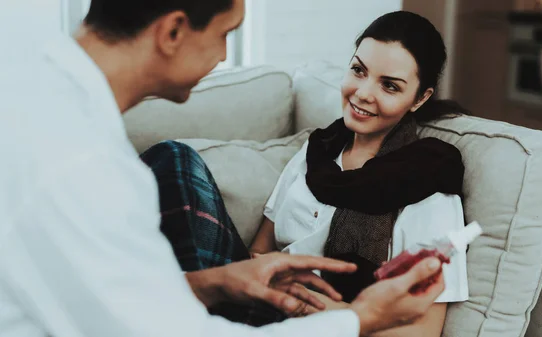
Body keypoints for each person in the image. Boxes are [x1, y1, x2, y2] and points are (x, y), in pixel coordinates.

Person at [0, 1, 446, 337]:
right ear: (173, 31)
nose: (221, 55)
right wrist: (360, 317)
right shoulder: (82, 165)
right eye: (225, 33)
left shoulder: (34, 91)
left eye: (389, 84)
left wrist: (215, 282)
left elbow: (110, 293)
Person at [249, 11, 471, 337]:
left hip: (328, 326)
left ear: (420, 98)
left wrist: (328, 313)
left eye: (390, 86)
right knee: (177, 160)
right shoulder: (319, 151)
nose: (363, 93)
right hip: (262, 301)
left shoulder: (426, 184)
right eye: (358, 70)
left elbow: (423, 330)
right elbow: (259, 251)